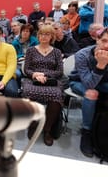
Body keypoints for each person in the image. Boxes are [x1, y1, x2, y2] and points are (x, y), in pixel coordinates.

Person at [69, 28, 108, 158]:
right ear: (97, 39)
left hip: (103, 84)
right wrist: (101, 65)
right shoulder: (82, 54)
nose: (106, 45)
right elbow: (89, 84)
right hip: (79, 82)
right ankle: (87, 131)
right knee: (92, 93)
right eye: (104, 41)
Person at [22, 25, 64, 146]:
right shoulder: (31, 50)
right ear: (38, 36)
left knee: (56, 95)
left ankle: (47, 129)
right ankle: (33, 124)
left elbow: (59, 71)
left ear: (52, 37)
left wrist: (45, 75)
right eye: (41, 34)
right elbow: (27, 69)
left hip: (50, 80)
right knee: (27, 93)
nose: (44, 37)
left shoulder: (57, 52)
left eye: (47, 34)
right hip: (33, 79)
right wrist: (35, 75)